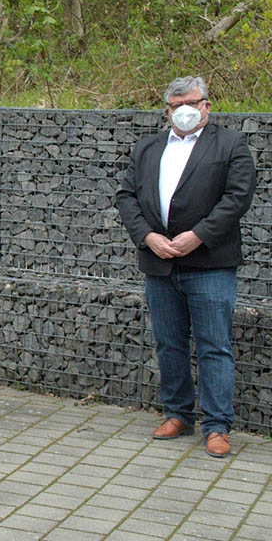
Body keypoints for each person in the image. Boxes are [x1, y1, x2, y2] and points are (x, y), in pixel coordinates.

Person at [116, 76, 255, 458]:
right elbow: (126, 196)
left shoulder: (230, 144)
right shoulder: (147, 148)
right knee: (169, 344)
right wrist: (148, 237)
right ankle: (178, 414)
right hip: (160, 264)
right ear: (167, 110)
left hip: (210, 264)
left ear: (207, 105)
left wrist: (200, 234)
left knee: (214, 347)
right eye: (178, 104)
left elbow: (237, 197)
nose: (186, 109)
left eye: (193, 102)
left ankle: (217, 425)